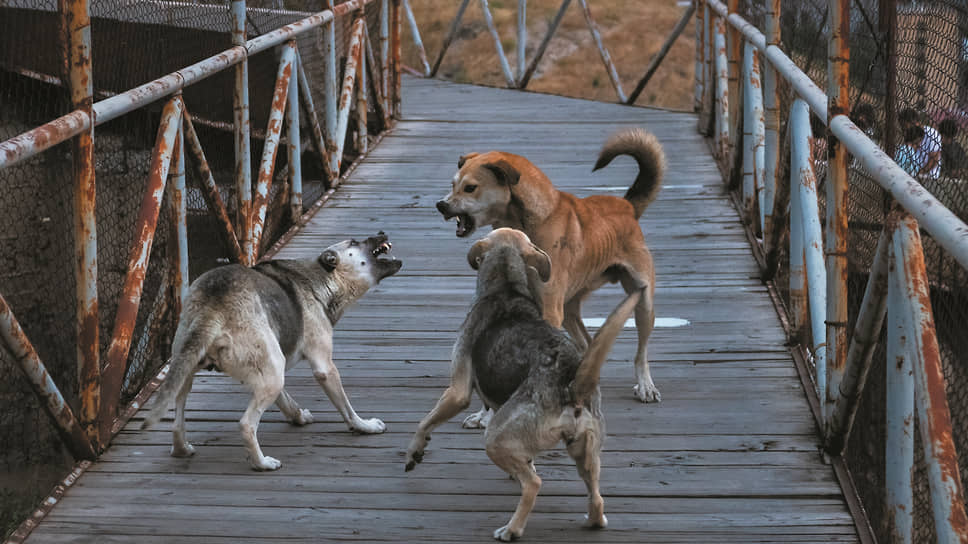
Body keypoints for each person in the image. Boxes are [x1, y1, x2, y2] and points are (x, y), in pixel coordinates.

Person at [898, 108, 941, 179]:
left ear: (916, 123)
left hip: (928, 176)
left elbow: (934, 160)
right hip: (912, 172)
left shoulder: (932, 134)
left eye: (905, 127)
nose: (904, 130)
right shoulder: (909, 134)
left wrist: (918, 173)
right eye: (903, 127)